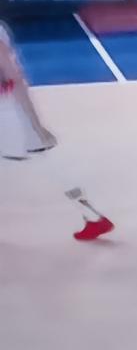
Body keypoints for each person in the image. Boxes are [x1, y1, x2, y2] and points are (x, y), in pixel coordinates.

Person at [0, 22, 114, 240]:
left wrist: (33, 121)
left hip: (8, 109)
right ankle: (92, 216)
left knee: (46, 160)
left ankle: (93, 216)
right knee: (47, 161)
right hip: (9, 108)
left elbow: (13, 74)